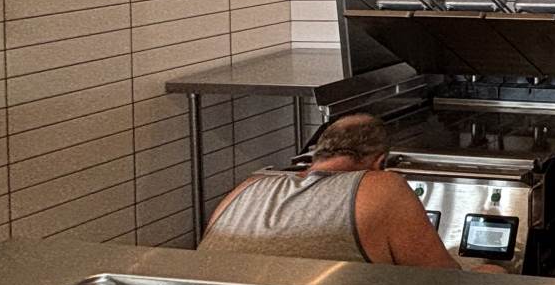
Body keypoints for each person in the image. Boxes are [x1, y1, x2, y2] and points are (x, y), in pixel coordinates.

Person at [198, 112, 501, 271]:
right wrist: (490, 272)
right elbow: (442, 283)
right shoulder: (381, 186)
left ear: (315, 156)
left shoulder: (249, 186)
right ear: (380, 162)